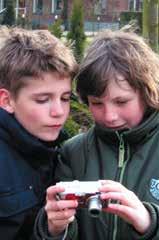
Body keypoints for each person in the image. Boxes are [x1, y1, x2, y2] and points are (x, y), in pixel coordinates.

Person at [35, 30, 159, 240]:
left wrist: (150, 221)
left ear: (148, 92)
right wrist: (54, 229)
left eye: (121, 102)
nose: (109, 116)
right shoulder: (73, 152)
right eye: (96, 103)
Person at [0, 26, 77, 240]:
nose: (59, 112)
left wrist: (51, 229)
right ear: (7, 100)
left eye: (65, 98)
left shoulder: (63, 152)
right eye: (43, 100)